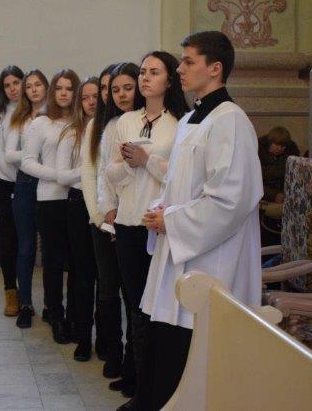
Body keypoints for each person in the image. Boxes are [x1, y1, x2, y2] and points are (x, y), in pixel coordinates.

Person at [138, 31, 263, 410]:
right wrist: (161, 208)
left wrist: (172, 220)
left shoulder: (231, 121)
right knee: (166, 348)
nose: (180, 68)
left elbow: (231, 199)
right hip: (181, 251)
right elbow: (179, 182)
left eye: (189, 61)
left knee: (195, 352)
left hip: (212, 260)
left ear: (215, 68)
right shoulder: (193, 118)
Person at [107, 54, 189, 408]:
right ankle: (138, 385)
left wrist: (147, 161)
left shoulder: (180, 123)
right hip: (128, 222)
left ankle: (150, 392)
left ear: (169, 80)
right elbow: (109, 173)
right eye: (142, 72)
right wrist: (129, 165)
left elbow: (181, 177)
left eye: (154, 72)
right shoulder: (126, 120)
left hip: (158, 226)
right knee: (134, 306)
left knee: (154, 310)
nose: (145, 78)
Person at [83, 63, 141, 386]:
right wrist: (104, 213)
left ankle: (132, 359)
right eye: (110, 89)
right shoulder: (102, 126)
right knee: (108, 289)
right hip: (104, 219)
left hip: (134, 219)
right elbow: (95, 173)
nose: (117, 94)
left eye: (124, 88)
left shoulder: (144, 121)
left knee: (133, 294)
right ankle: (114, 352)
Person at [22, 69, 80, 344]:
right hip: (49, 199)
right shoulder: (41, 123)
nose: (64, 93)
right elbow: (27, 162)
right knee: (54, 262)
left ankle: (74, 315)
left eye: (69, 88)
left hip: (78, 199)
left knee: (76, 262)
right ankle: (55, 313)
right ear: (52, 91)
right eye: (59, 88)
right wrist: (59, 175)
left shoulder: (82, 122)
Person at [56, 76, 100, 361]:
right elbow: (62, 176)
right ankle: (83, 336)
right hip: (78, 202)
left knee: (105, 279)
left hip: (107, 205)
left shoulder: (112, 127)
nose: (91, 102)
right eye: (85, 97)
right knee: (82, 274)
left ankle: (106, 338)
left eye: (95, 96)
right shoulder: (72, 132)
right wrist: (89, 171)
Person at [6, 69, 49, 328]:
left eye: (38, 85)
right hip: (25, 183)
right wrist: (33, 156)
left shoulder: (56, 115)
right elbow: (9, 154)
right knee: (26, 245)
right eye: (29, 86)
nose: (33, 89)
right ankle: (25, 303)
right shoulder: (19, 117)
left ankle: (51, 306)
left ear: (46, 87)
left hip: (51, 184)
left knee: (51, 247)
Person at [0, 65, 24, 317]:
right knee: (9, 239)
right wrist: (22, 182)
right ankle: (11, 291)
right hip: (6, 182)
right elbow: (0, 157)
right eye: (7, 85)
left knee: (28, 241)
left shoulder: (37, 110)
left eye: (16, 83)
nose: (12, 89)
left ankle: (28, 295)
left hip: (35, 182)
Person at [258, 126, 300, 203]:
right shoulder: (259, 149)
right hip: (264, 189)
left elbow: (294, 174)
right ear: (270, 143)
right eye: (278, 145)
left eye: (283, 146)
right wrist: (273, 195)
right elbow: (256, 176)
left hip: (284, 188)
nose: (281, 148)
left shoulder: (292, 148)